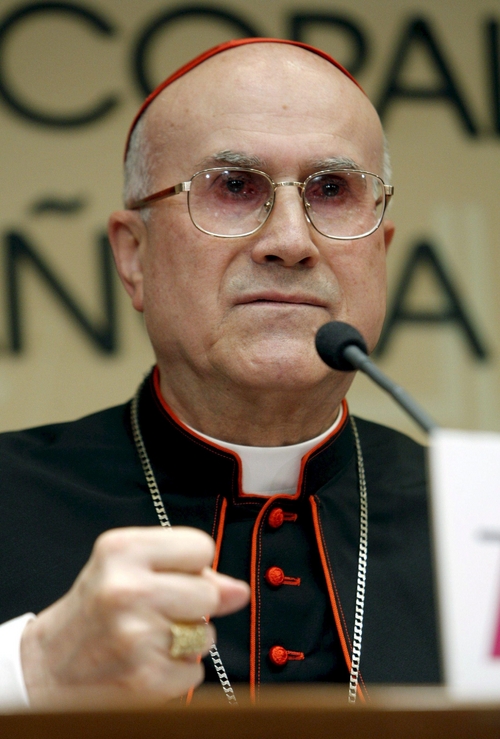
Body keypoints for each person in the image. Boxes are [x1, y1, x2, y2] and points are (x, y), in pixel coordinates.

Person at [0, 38, 440, 710]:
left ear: (380, 252)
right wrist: (33, 671)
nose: (290, 241)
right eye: (234, 187)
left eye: (332, 190)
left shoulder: (478, 519)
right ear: (133, 256)